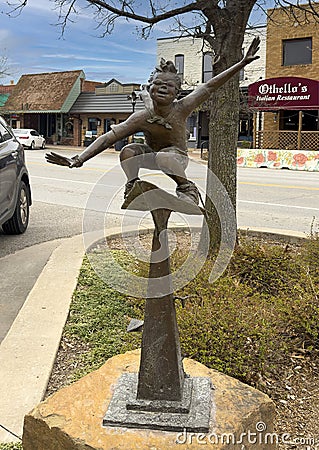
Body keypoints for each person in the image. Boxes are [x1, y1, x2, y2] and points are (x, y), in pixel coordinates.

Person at [46, 37, 260, 204]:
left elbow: (210, 86)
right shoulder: (142, 116)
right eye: (158, 84)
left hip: (175, 159)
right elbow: (109, 138)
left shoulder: (182, 107)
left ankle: (187, 188)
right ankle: (132, 185)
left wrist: (241, 64)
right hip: (152, 156)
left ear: (177, 92)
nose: (163, 88)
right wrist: (79, 159)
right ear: (150, 87)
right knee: (128, 151)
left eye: (169, 86)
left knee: (166, 157)